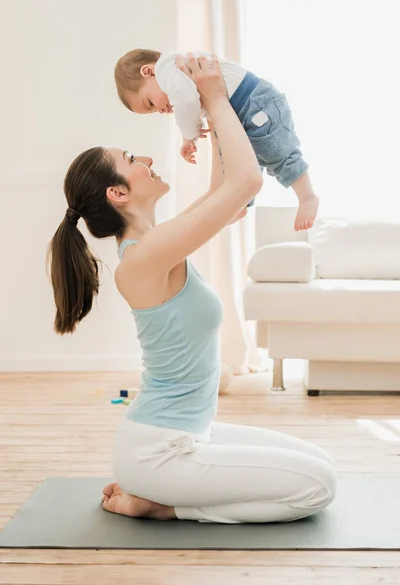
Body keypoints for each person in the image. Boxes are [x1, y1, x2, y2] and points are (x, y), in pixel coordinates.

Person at [48, 55, 336, 524]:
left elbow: (227, 188)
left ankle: (162, 494)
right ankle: (166, 506)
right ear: (117, 194)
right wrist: (218, 98)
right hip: (161, 451)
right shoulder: (143, 258)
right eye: (130, 160)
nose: (144, 159)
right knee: (318, 488)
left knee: (320, 464)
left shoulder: (157, 242)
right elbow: (246, 181)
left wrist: (210, 102)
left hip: (189, 434)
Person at [114, 48, 319, 232]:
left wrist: (189, 136)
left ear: (148, 72)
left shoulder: (168, 68)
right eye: (153, 112)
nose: (159, 110)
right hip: (239, 113)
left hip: (256, 104)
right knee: (232, 163)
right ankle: (238, 205)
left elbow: (185, 102)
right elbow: (193, 103)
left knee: (277, 152)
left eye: (150, 103)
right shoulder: (179, 78)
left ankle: (307, 196)